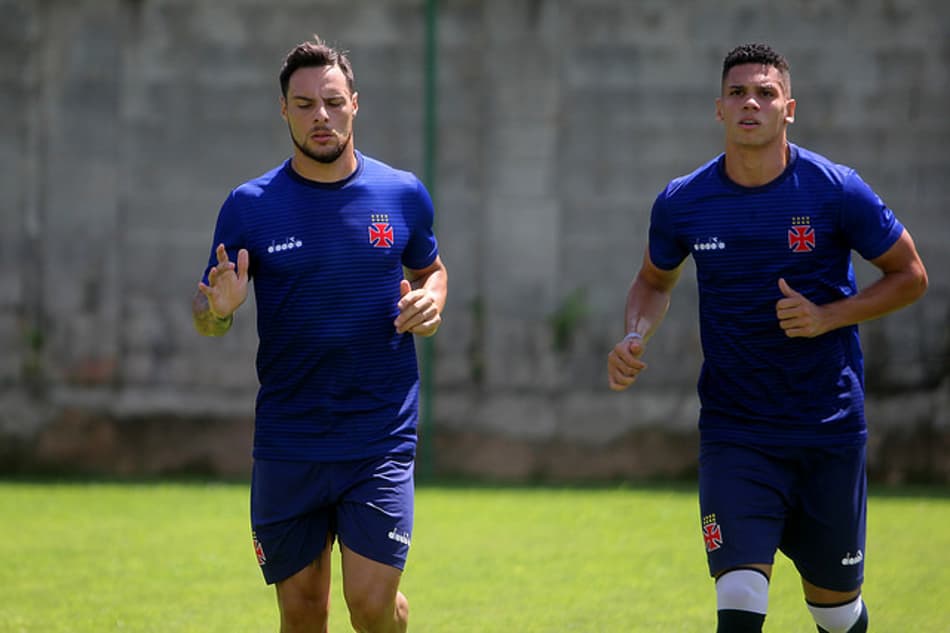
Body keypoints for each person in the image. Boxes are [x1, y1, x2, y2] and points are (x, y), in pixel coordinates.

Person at [607, 43, 927, 633]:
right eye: (738, 93)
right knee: (740, 595)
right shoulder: (684, 201)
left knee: (834, 614)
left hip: (826, 429)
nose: (751, 102)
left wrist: (831, 316)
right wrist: (635, 334)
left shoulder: (836, 190)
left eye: (765, 92)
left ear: (789, 109)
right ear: (719, 110)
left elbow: (910, 276)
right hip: (736, 433)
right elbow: (653, 281)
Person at [192, 36, 447, 633]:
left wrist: (430, 300)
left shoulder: (401, 193)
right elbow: (206, 317)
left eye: (332, 101)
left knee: (370, 603)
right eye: (304, 104)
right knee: (303, 614)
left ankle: (390, 614)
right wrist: (220, 310)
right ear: (284, 110)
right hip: (289, 440)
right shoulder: (250, 206)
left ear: (355, 103)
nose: (321, 116)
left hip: (378, 435)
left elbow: (429, 269)